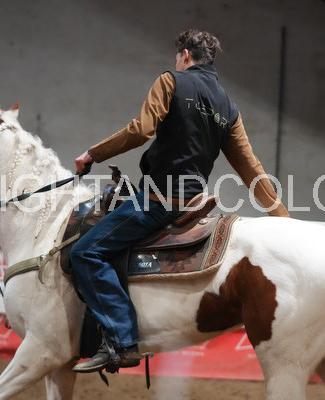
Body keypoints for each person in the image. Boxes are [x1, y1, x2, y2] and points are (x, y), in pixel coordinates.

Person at [71, 28, 289, 374]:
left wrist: (92, 154)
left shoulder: (171, 81)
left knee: (84, 253)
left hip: (158, 200)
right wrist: (283, 218)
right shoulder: (228, 107)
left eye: (177, 56)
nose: (176, 61)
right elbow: (250, 168)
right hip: (192, 201)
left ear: (185, 55)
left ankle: (121, 341)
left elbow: (141, 130)